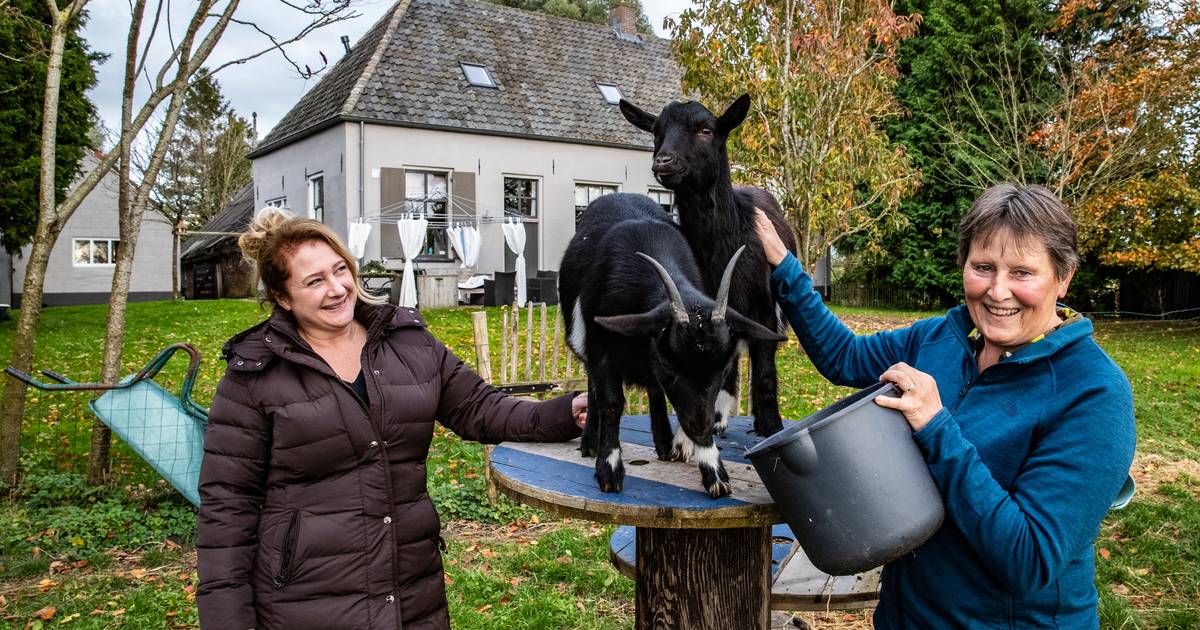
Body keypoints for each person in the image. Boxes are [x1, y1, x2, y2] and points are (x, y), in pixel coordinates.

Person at [754, 183, 1135, 628]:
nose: (997, 291)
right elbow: (845, 357)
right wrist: (784, 266)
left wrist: (936, 426)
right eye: (983, 267)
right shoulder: (940, 339)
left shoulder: (1092, 392)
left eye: (1022, 273)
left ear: (1063, 276)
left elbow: (1028, 561)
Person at [196, 208, 587, 630]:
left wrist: (566, 411)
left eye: (340, 270)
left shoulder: (406, 341)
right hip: (306, 600)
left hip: (410, 590)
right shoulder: (256, 375)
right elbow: (227, 509)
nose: (337, 288)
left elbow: (480, 407)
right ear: (282, 298)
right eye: (314, 281)